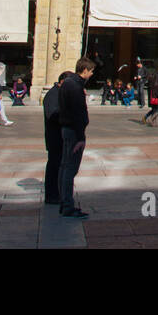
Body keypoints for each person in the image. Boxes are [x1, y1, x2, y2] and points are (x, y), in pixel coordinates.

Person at [57, 57, 96, 219]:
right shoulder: (74, 86)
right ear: (85, 70)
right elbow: (78, 113)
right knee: (70, 168)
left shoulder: (68, 83)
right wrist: (80, 137)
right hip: (74, 132)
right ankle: (67, 205)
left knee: (65, 166)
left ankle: (64, 202)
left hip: (67, 129)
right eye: (92, 71)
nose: (92, 74)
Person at [42, 71, 70, 205]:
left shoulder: (59, 94)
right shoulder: (52, 95)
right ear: (63, 82)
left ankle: (56, 193)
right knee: (54, 166)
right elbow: (52, 115)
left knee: (58, 166)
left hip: (59, 137)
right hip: (55, 137)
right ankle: (52, 195)